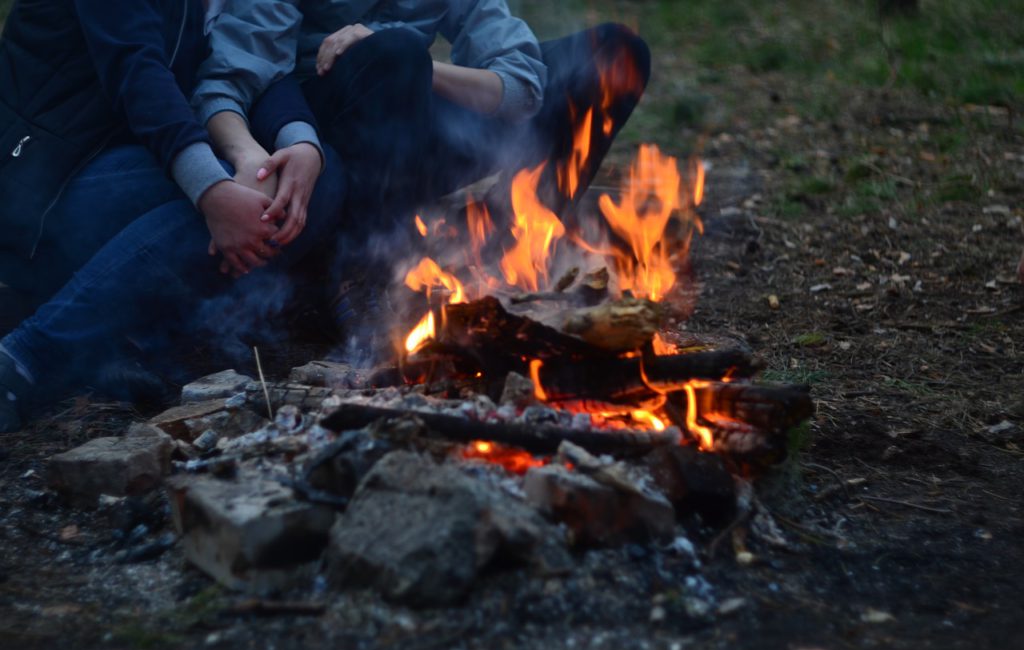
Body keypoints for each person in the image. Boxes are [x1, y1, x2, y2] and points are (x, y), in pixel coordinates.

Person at [0, 0, 345, 433]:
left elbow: (250, 64)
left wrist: (299, 142)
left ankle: (129, 336)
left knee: (312, 180)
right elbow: (135, 69)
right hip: (43, 178)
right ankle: (24, 359)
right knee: (231, 194)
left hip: (140, 159)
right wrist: (212, 190)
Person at [194, 0, 651, 323]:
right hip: (324, 149)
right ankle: (358, 275)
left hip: (409, 129)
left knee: (615, 55)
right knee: (395, 54)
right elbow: (225, 82)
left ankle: (500, 247)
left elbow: (523, 88)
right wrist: (245, 156)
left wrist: (427, 71)